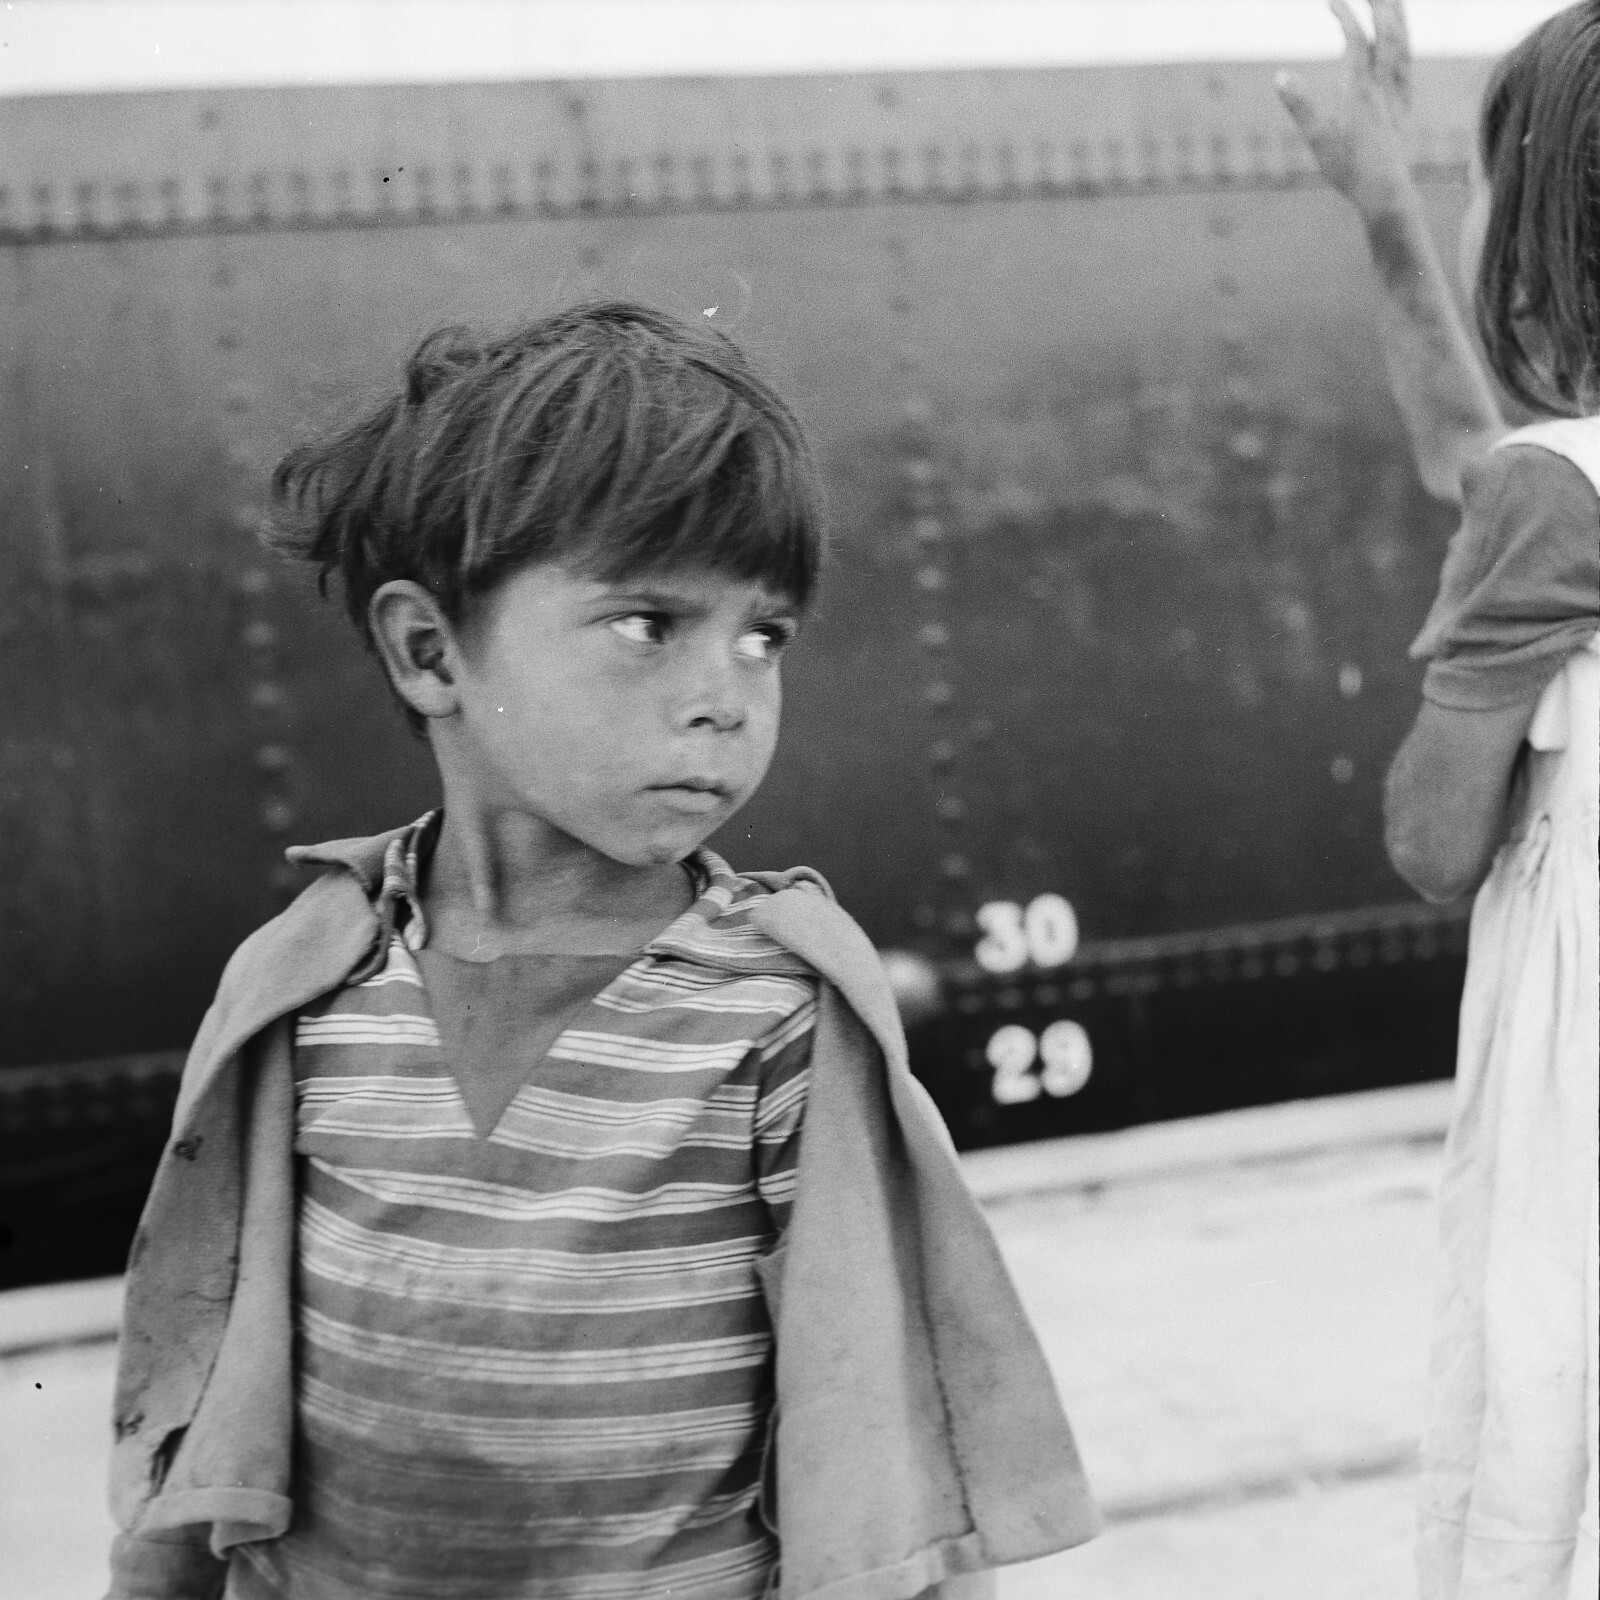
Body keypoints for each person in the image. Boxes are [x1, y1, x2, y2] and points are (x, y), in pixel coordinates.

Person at [102, 303, 1099, 1599]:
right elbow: (201, 1372)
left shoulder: (774, 1014)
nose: (725, 697)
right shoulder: (306, 985)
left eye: (763, 636)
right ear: (429, 652)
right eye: (648, 624)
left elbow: (885, 1447)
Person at [1279, 5, 1600, 1597]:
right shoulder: (1546, 494)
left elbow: (1432, 840)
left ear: (1539, 253)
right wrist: (1384, 206)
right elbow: (1472, 462)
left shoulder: (1556, 499)